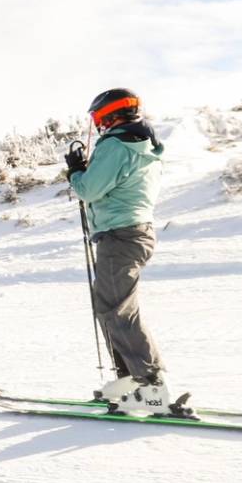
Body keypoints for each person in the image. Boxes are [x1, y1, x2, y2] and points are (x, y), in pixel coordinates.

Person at [64, 89, 190, 418]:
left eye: (97, 119)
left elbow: (88, 189)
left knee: (116, 311)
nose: (98, 126)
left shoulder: (116, 145)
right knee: (111, 308)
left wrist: (76, 172)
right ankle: (130, 381)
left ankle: (150, 388)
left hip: (120, 236)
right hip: (133, 233)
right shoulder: (144, 145)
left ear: (108, 115)